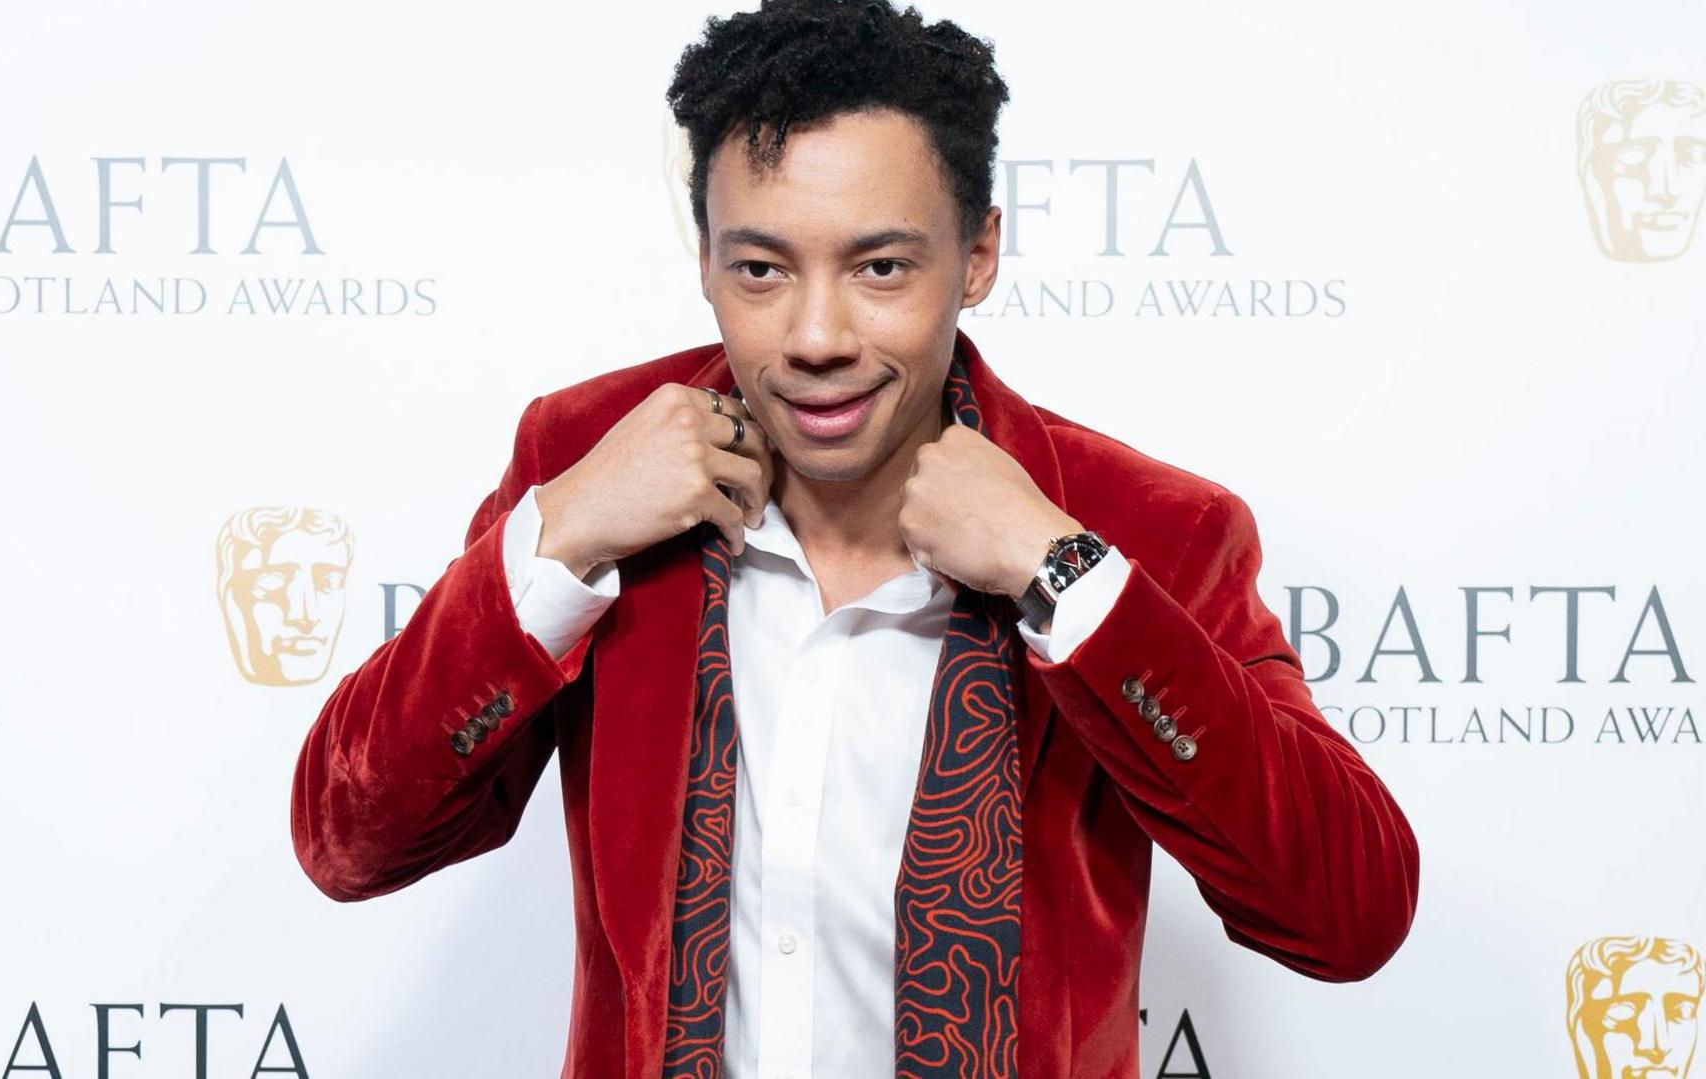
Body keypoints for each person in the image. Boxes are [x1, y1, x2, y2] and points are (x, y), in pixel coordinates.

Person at [289, 2, 1421, 1075]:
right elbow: (352, 838)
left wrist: (1063, 575)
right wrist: (562, 535)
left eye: (881, 267)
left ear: (976, 255)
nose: (817, 335)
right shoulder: (587, 459)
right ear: (705, 260)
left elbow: (1347, 912)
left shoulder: (1141, 528)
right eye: (762, 268)